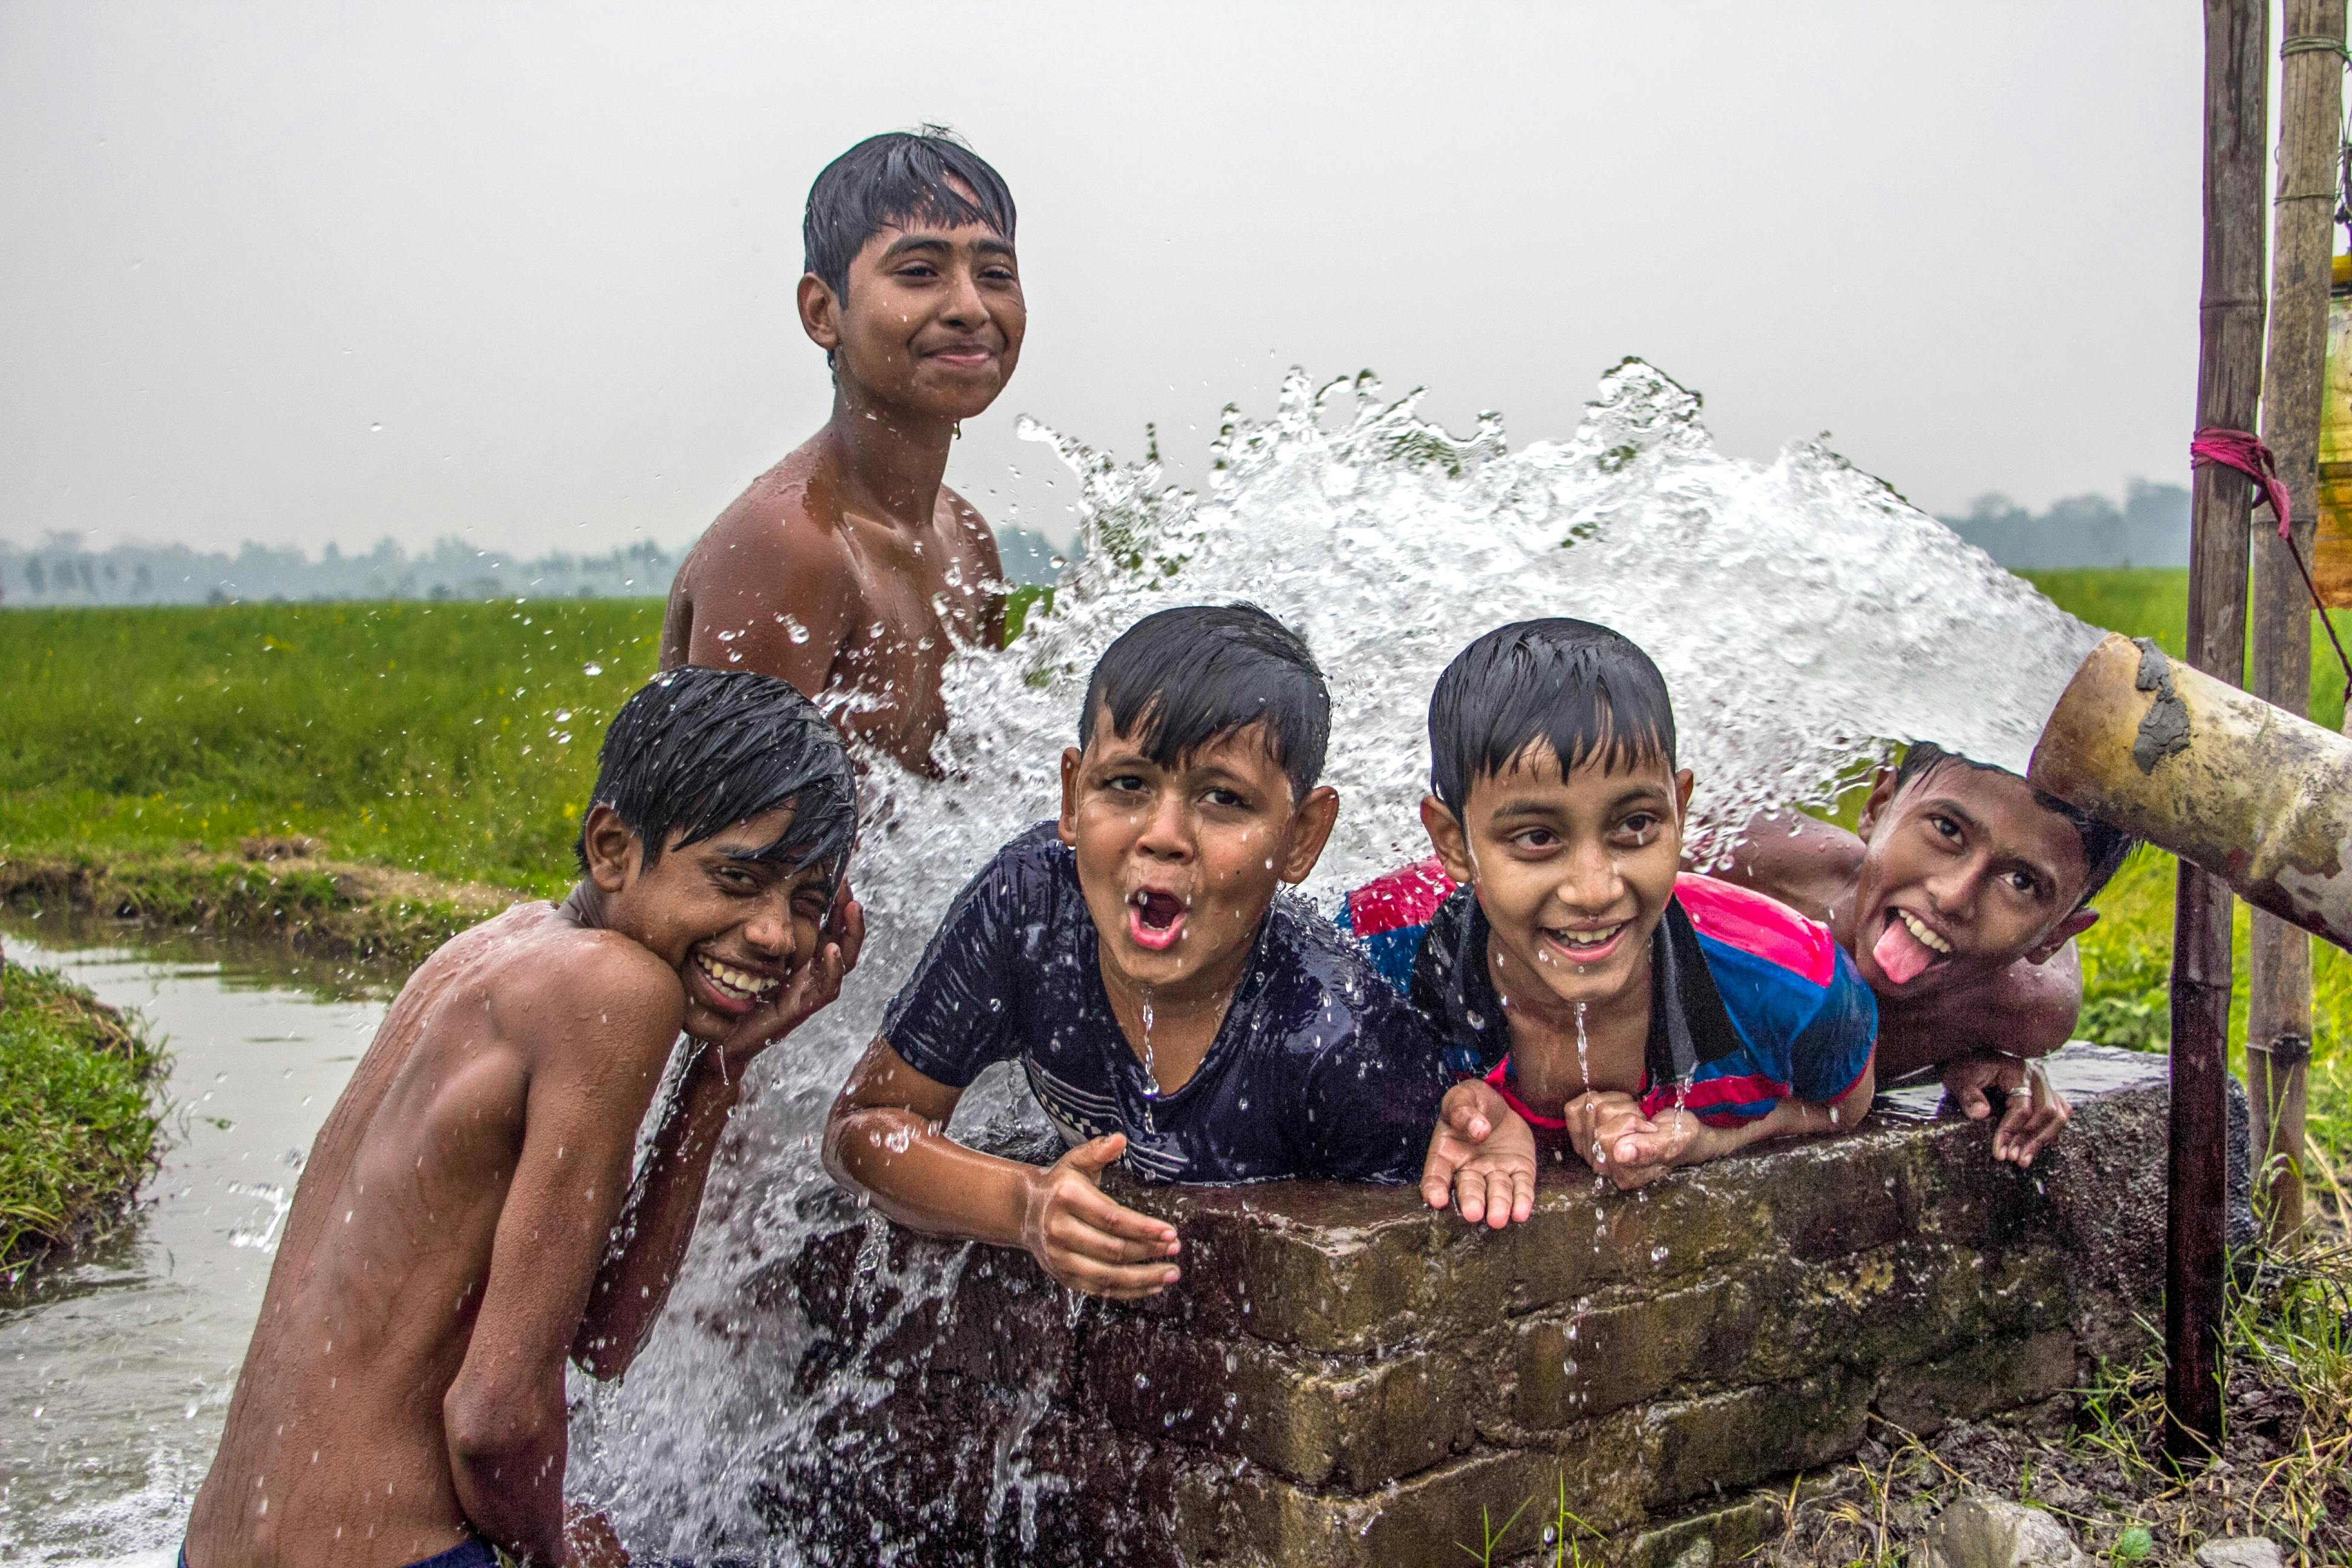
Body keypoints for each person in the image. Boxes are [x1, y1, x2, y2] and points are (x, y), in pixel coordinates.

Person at [182, 668, 863, 1568]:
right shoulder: (616, 990)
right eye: (737, 877)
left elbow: (606, 1334)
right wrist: (552, 1549)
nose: (777, 934)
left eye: (808, 903)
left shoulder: (497, 947)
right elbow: (493, 1420)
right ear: (613, 848)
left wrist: (719, 1074)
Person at [822, 604, 1486, 1300]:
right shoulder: (1029, 910)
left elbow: (1429, 1269)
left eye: (1224, 799)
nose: (1163, 835)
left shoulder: (1338, 1040)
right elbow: (862, 1129)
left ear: (1301, 837)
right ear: (1074, 797)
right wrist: (1022, 1205)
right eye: (1129, 784)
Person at [1354, 619, 1878, 1213]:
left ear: (1679, 811)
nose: (1594, 890)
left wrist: (1712, 1137)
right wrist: (1438, 1118)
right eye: (1537, 837)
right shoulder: (1374, 955)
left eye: (1635, 826)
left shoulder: (1792, 980)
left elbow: (1845, 1104)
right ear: (1453, 844)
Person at [661, 128, 1022, 774]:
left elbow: (971, 797)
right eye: (920, 272)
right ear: (823, 312)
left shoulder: (968, 539)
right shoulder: (791, 546)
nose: (971, 306)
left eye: (995, 274)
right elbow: (738, 844)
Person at [1699, 740, 2137, 1168]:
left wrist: (1967, 1057)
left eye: (2021, 882)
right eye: (1947, 830)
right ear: (1878, 806)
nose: (1952, 896)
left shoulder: (2023, 1012)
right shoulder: (1748, 867)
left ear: (2053, 936)